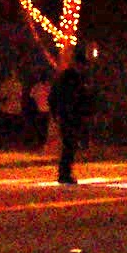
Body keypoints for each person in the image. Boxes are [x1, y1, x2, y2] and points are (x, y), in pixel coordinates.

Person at [48, 53, 93, 184]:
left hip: (71, 115)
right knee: (69, 144)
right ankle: (64, 173)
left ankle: (65, 172)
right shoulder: (71, 78)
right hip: (69, 115)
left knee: (70, 145)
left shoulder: (74, 77)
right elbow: (62, 96)